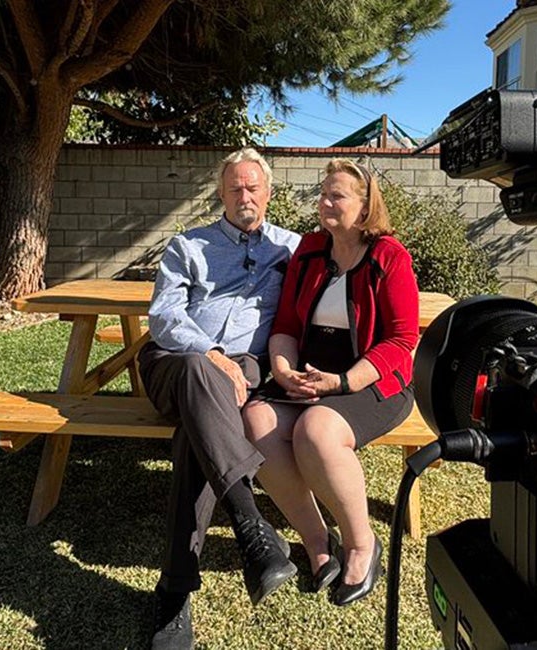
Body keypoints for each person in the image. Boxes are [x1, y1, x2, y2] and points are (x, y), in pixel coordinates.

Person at [140, 147, 302, 650]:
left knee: (199, 430)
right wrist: (211, 353)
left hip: (248, 373)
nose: (244, 195)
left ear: (269, 193)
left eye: (253, 187)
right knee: (197, 374)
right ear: (221, 193)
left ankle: (174, 591)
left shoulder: (294, 248)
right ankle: (251, 525)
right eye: (234, 187)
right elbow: (164, 317)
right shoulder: (187, 246)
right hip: (175, 363)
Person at [243, 159, 419, 607]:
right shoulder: (309, 250)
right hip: (311, 377)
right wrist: (283, 371)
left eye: (336, 195)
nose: (324, 202)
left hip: (373, 383)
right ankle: (318, 542)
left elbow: (402, 340)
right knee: (256, 419)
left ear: (364, 207)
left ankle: (362, 544)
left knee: (316, 430)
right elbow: (284, 325)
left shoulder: (390, 257)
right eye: (323, 192)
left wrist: (341, 382)